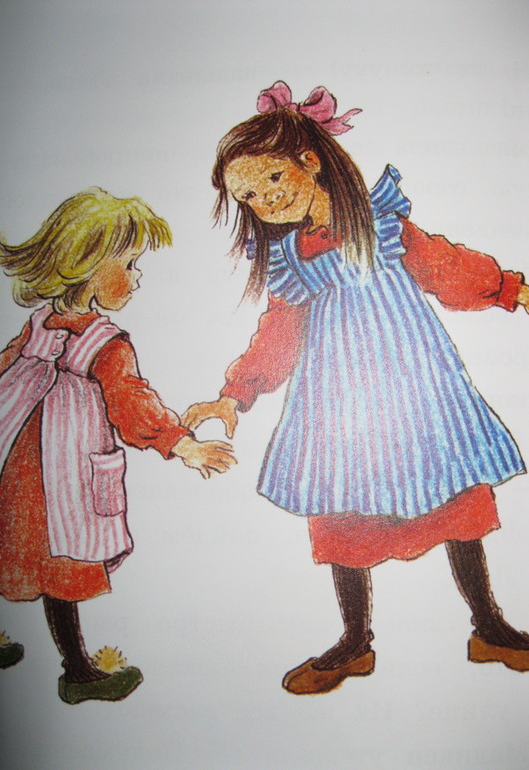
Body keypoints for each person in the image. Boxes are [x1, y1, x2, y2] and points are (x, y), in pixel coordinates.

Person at [183, 81, 529, 695]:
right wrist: (235, 394)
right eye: (249, 197)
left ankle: (490, 627)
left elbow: (443, 266)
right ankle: (353, 642)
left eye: (271, 179)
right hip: (338, 408)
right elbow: (278, 334)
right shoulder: (292, 260)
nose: (265, 200)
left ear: (309, 161)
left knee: (455, 498)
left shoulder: (382, 223)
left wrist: (509, 288)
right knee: (342, 513)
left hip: (418, 392)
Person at [0, 187, 235, 704]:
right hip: (58, 477)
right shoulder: (106, 343)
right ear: (86, 266)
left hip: (5, 466)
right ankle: (79, 673)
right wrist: (183, 445)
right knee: (65, 559)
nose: (137, 276)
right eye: (129, 264)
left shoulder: (39, 323)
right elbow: (133, 406)